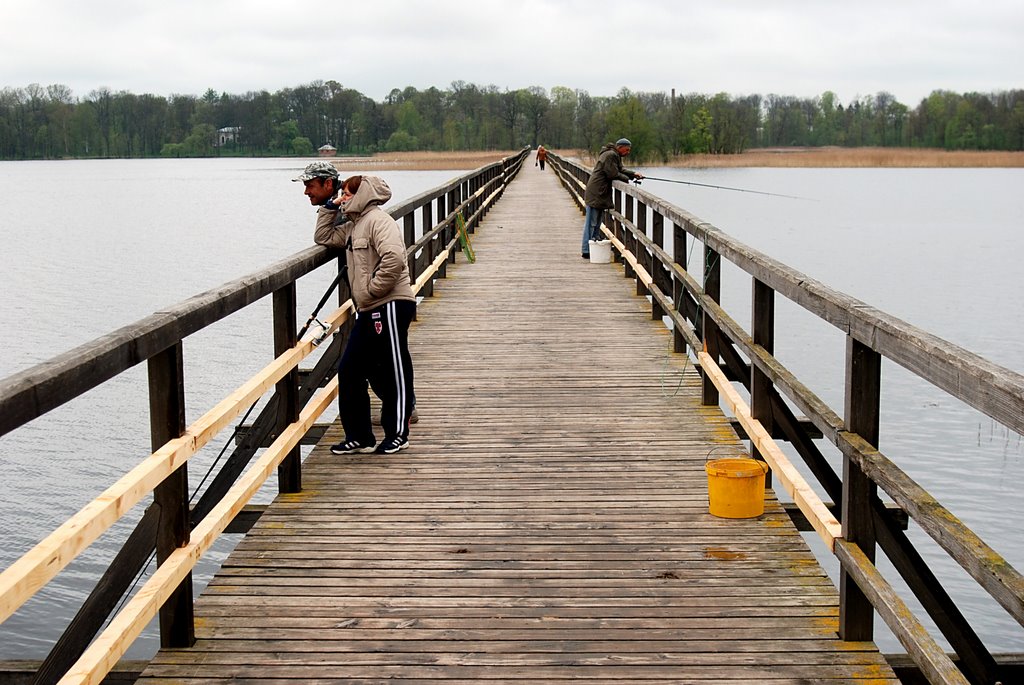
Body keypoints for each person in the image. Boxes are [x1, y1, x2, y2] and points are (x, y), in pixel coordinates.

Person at [295, 163, 417, 455]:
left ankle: (398, 433)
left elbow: (394, 259)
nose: (342, 198)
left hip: (389, 304)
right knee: (349, 369)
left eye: (346, 194)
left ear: (360, 195)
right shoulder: (353, 226)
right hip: (370, 308)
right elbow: (323, 237)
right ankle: (360, 436)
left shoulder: (378, 221)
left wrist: (371, 291)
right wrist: (328, 207)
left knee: (392, 370)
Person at [580, 138, 643, 259]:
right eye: (627, 149)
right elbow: (612, 174)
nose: (628, 152)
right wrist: (627, 179)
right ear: (620, 147)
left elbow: (620, 170)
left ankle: (592, 247)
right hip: (596, 192)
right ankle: (586, 250)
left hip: (599, 192)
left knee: (597, 223)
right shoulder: (610, 155)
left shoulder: (614, 155)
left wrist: (633, 174)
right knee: (591, 223)